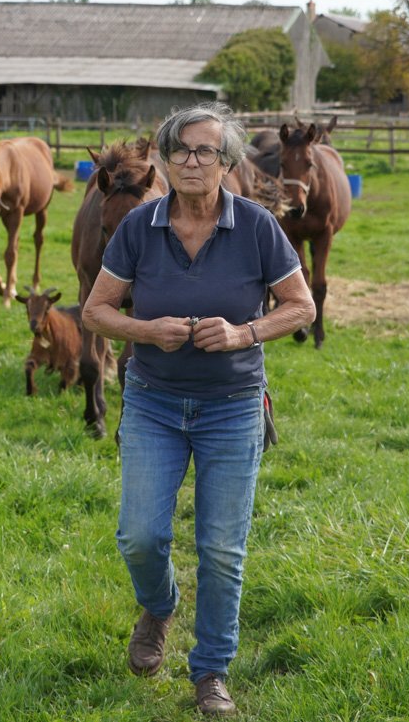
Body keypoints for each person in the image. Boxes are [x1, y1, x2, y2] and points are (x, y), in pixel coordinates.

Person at [82, 102, 316, 715]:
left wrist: (244, 334)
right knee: (139, 536)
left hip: (232, 406)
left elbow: (302, 306)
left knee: (220, 548)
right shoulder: (139, 226)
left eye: (206, 150)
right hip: (154, 402)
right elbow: (95, 310)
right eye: (180, 150)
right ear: (163, 160)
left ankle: (211, 670)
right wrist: (144, 330)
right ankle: (159, 606)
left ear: (226, 161)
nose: (192, 161)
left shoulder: (257, 226)